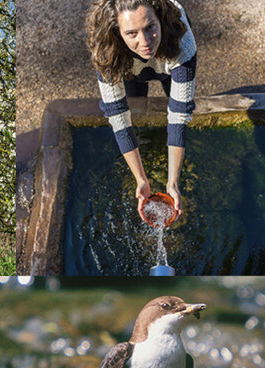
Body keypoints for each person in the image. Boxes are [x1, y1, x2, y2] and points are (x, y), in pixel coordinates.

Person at [84, 0, 196, 220]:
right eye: (132, 33)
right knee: (136, 106)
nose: (144, 41)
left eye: (150, 27)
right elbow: (118, 117)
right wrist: (141, 180)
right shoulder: (107, 51)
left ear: (160, 18)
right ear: (117, 33)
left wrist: (173, 183)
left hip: (169, 54)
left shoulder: (183, 42)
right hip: (128, 66)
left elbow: (179, 115)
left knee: (172, 98)